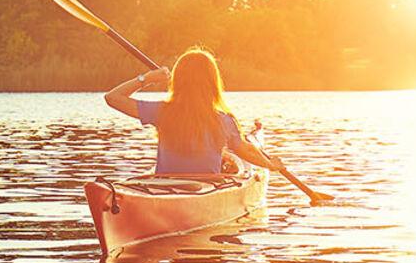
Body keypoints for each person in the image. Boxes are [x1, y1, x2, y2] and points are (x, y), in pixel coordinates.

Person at [104, 47, 329, 202]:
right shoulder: (223, 120)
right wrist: (270, 165)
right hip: (202, 188)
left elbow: (113, 97)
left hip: (164, 187)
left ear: (179, 81)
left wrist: (147, 78)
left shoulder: (162, 111)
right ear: (212, 83)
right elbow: (245, 151)